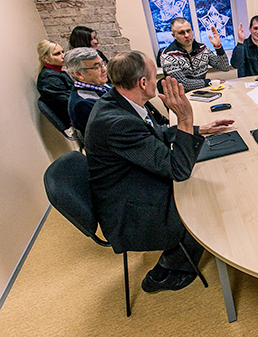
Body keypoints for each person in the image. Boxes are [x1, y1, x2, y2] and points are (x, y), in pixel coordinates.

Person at [85, 50, 234, 292]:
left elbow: (152, 135)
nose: (159, 79)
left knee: (204, 181)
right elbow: (179, 170)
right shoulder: (118, 123)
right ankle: (168, 270)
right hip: (129, 209)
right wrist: (185, 119)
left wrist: (197, 129)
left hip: (128, 182)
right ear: (143, 83)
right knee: (201, 198)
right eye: (155, 76)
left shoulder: (118, 101)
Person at [160, 17, 230, 92]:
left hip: (203, 93)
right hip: (182, 98)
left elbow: (225, 67)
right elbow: (183, 84)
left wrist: (218, 47)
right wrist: (209, 81)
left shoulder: (202, 49)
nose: (187, 35)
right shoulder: (167, 55)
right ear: (174, 36)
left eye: (188, 31)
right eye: (181, 32)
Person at [36, 39, 73, 126]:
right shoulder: (49, 79)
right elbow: (70, 101)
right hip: (73, 117)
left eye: (62, 52)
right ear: (45, 58)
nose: (63, 56)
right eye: (57, 54)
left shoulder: (58, 73)